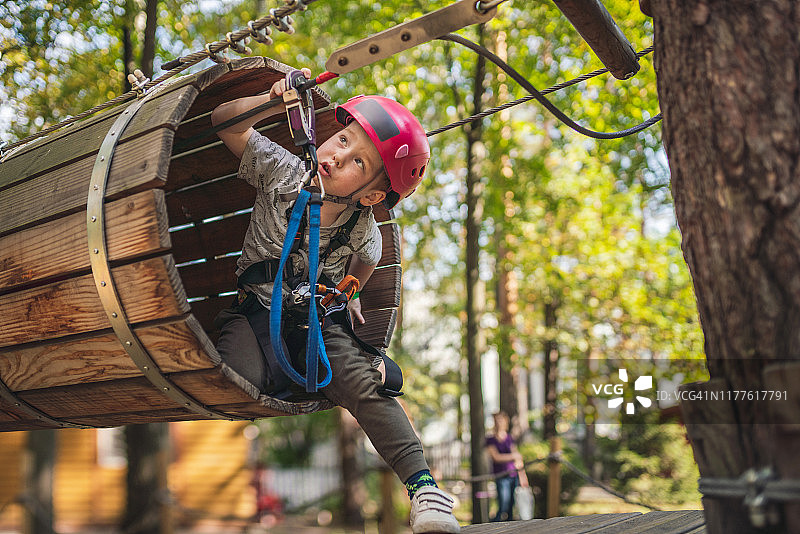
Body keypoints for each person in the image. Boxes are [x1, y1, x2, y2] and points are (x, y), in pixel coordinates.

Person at [210, 68, 459, 534]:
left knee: (365, 383)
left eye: (359, 163)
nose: (340, 155)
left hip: (311, 323)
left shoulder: (361, 227)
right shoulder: (284, 171)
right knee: (238, 377)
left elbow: (372, 256)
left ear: (373, 195)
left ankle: (424, 489)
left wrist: (349, 290)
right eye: (343, 140)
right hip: (256, 309)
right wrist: (270, 102)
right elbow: (225, 124)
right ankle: (305, 379)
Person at [485, 411, 528, 521]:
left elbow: (518, 459)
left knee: (510, 506)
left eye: (502, 420)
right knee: (503, 505)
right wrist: (513, 456)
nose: (499, 422)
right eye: (497, 420)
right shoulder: (491, 440)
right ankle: (493, 525)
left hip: (512, 475)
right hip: (501, 476)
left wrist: (523, 477)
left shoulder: (509, 438)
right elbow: (496, 457)